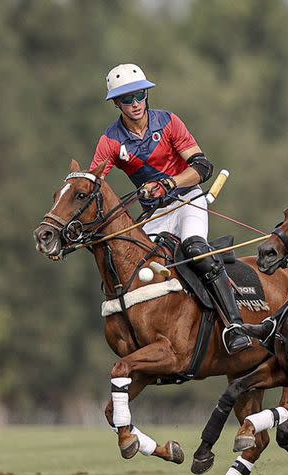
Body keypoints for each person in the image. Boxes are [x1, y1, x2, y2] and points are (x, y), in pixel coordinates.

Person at [90, 63, 252, 354]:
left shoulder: (168, 122)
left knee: (195, 250)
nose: (135, 104)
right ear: (117, 103)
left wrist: (169, 183)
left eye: (140, 95)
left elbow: (202, 166)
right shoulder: (110, 140)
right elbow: (93, 185)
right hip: (154, 214)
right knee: (138, 268)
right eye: (127, 99)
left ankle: (234, 325)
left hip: (187, 200)